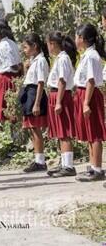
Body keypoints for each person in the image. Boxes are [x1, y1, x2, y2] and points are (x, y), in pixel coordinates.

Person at [73, 24, 106, 182]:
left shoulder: (92, 56)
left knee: (95, 133)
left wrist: (86, 103)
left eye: (77, 36)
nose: (75, 39)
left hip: (89, 95)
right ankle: (93, 167)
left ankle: (97, 169)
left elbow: (91, 81)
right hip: (84, 94)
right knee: (89, 132)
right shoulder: (87, 54)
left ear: (83, 39)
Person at [45, 32, 77, 177]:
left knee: (64, 131)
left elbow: (62, 81)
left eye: (48, 44)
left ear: (53, 43)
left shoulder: (63, 59)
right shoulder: (59, 58)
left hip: (61, 97)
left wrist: (58, 102)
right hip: (56, 95)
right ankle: (64, 163)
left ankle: (69, 166)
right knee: (59, 132)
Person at [19, 34, 50, 173]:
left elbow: (40, 83)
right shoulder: (33, 61)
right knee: (31, 128)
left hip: (35, 94)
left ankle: (40, 161)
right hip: (29, 92)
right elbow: (28, 78)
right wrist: (26, 67)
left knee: (35, 128)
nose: (24, 50)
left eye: (26, 47)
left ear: (34, 46)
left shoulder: (41, 60)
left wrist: (36, 103)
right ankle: (38, 159)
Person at [0, 23, 22, 122]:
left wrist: (18, 69)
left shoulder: (4, 45)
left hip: (5, 78)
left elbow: (12, 64)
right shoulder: (10, 43)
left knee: (5, 108)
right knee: (6, 107)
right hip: (8, 76)